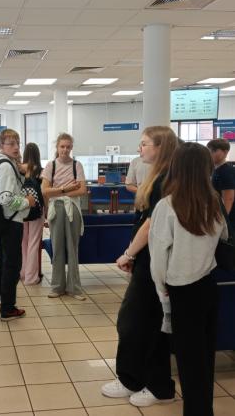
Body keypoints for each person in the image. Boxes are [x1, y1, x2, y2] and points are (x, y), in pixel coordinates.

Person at [101, 126, 178, 407]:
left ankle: (154, 385)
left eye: (144, 143)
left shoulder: (165, 180)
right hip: (149, 260)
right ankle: (135, 378)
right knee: (140, 322)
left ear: (160, 147)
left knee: (137, 322)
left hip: (154, 262)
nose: (139, 148)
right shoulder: (158, 177)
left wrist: (128, 254)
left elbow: (151, 224)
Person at [149, 142, 227, 416]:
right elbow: (224, 238)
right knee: (205, 357)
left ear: (177, 168)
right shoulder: (214, 202)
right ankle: (204, 409)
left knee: (188, 359)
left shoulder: (167, 205)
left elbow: (159, 255)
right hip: (208, 284)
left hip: (181, 290)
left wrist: (160, 288)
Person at [0, 129, 36, 321]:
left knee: (2, 264)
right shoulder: (5, 166)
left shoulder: (5, 163)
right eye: (11, 143)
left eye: (18, 143)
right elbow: (5, 198)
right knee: (11, 267)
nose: (16, 147)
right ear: (1, 146)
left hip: (2, 223)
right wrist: (27, 202)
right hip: (10, 223)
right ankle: (7, 308)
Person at [41, 133, 87, 300]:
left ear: (71, 148)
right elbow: (44, 190)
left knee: (72, 248)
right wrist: (66, 189)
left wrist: (58, 191)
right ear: (57, 147)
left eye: (68, 147)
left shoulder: (77, 165)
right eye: (62, 146)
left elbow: (82, 190)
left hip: (72, 207)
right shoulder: (50, 166)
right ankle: (57, 287)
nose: (65, 150)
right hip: (56, 208)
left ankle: (74, 288)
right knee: (57, 247)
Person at [20, 143, 45, 286]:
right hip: (37, 210)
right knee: (34, 242)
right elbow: (44, 193)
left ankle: (23, 273)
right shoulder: (41, 171)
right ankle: (31, 277)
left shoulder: (19, 169)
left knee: (23, 242)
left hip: (21, 208)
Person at [207, 138, 235, 228]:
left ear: (225, 152)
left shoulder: (226, 171)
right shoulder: (215, 170)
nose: (210, 153)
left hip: (228, 219)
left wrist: (223, 222)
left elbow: (229, 199)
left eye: (214, 151)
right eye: (209, 150)